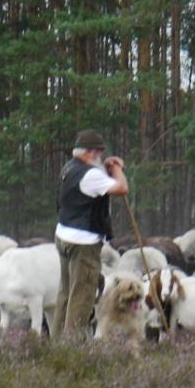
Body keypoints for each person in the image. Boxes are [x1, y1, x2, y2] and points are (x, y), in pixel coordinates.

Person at [51, 129, 128, 339]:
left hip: (64, 235)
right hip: (83, 244)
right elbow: (122, 188)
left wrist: (106, 166)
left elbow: (92, 179)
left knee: (66, 293)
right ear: (90, 152)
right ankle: (72, 350)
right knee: (82, 297)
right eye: (100, 152)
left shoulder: (69, 167)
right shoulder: (91, 175)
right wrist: (117, 169)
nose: (101, 156)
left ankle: (56, 344)